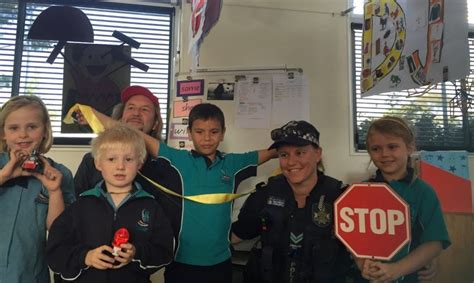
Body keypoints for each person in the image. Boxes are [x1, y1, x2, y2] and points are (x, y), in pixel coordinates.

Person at [88, 102, 277, 283]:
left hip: (221, 262)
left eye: (214, 132)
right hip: (181, 262)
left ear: (223, 133)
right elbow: (134, 134)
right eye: (199, 131)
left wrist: (286, 150)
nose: (207, 138)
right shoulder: (177, 159)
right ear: (189, 133)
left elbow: (272, 153)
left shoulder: (234, 164)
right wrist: (90, 112)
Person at [46, 125, 174, 283]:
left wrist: (137, 253)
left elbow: (165, 251)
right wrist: (86, 257)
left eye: (128, 159)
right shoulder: (80, 205)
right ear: (98, 164)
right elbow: (55, 249)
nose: (120, 166)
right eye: (111, 159)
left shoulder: (151, 206)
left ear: (140, 163)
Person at [231, 120, 352, 283]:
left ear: (318, 154)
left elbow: (365, 252)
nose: (291, 162)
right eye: (284, 154)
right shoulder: (264, 196)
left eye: (300, 153)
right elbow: (235, 235)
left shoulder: (342, 198)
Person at [73, 85, 183, 244]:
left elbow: (165, 225)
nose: (136, 113)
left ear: (155, 125)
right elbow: (75, 206)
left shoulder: (164, 167)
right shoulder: (92, 160)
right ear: (119, 119)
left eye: (145, 109)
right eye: (130, 108)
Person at [356, 116, 450, 282]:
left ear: (409, 147)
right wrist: (362, 263)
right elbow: (353, 238)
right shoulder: (361, 191)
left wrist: (397, 269)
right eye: (376, 148)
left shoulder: (424, 192)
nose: (384, 154)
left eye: (392, 146)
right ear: (369, 152)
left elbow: (434, 242)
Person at [0, 95, 75, 283]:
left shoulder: (59, 174)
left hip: (29, 274)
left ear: (44, 131)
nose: (23, 135)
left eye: (32, 127)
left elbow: (57, 229)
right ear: (3, 133)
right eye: (14, 128)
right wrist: (3, 177)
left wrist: (55, 191)